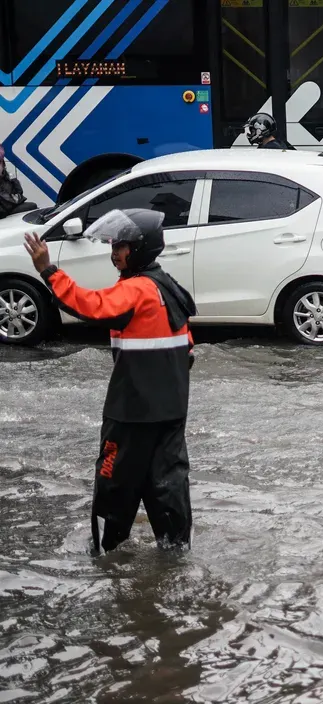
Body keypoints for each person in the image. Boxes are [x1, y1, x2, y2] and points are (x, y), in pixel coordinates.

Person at [23, 210, 198, 555]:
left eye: (122, 245)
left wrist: (48, 270)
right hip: (171, 410)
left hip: (131, 413)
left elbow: (89, 306)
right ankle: (176, 554)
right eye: (114, 244)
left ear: (141, 250)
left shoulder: (137, 290)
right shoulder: (169, 287)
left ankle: (105, 558)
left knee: (113, 485)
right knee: (167, 485)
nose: (114, 251)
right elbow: (187, 349)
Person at [0, 144, 29, 217]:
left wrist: (14, 180)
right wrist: (16, 199)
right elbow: (7, 202)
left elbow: (20, 193)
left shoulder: (7, 177)